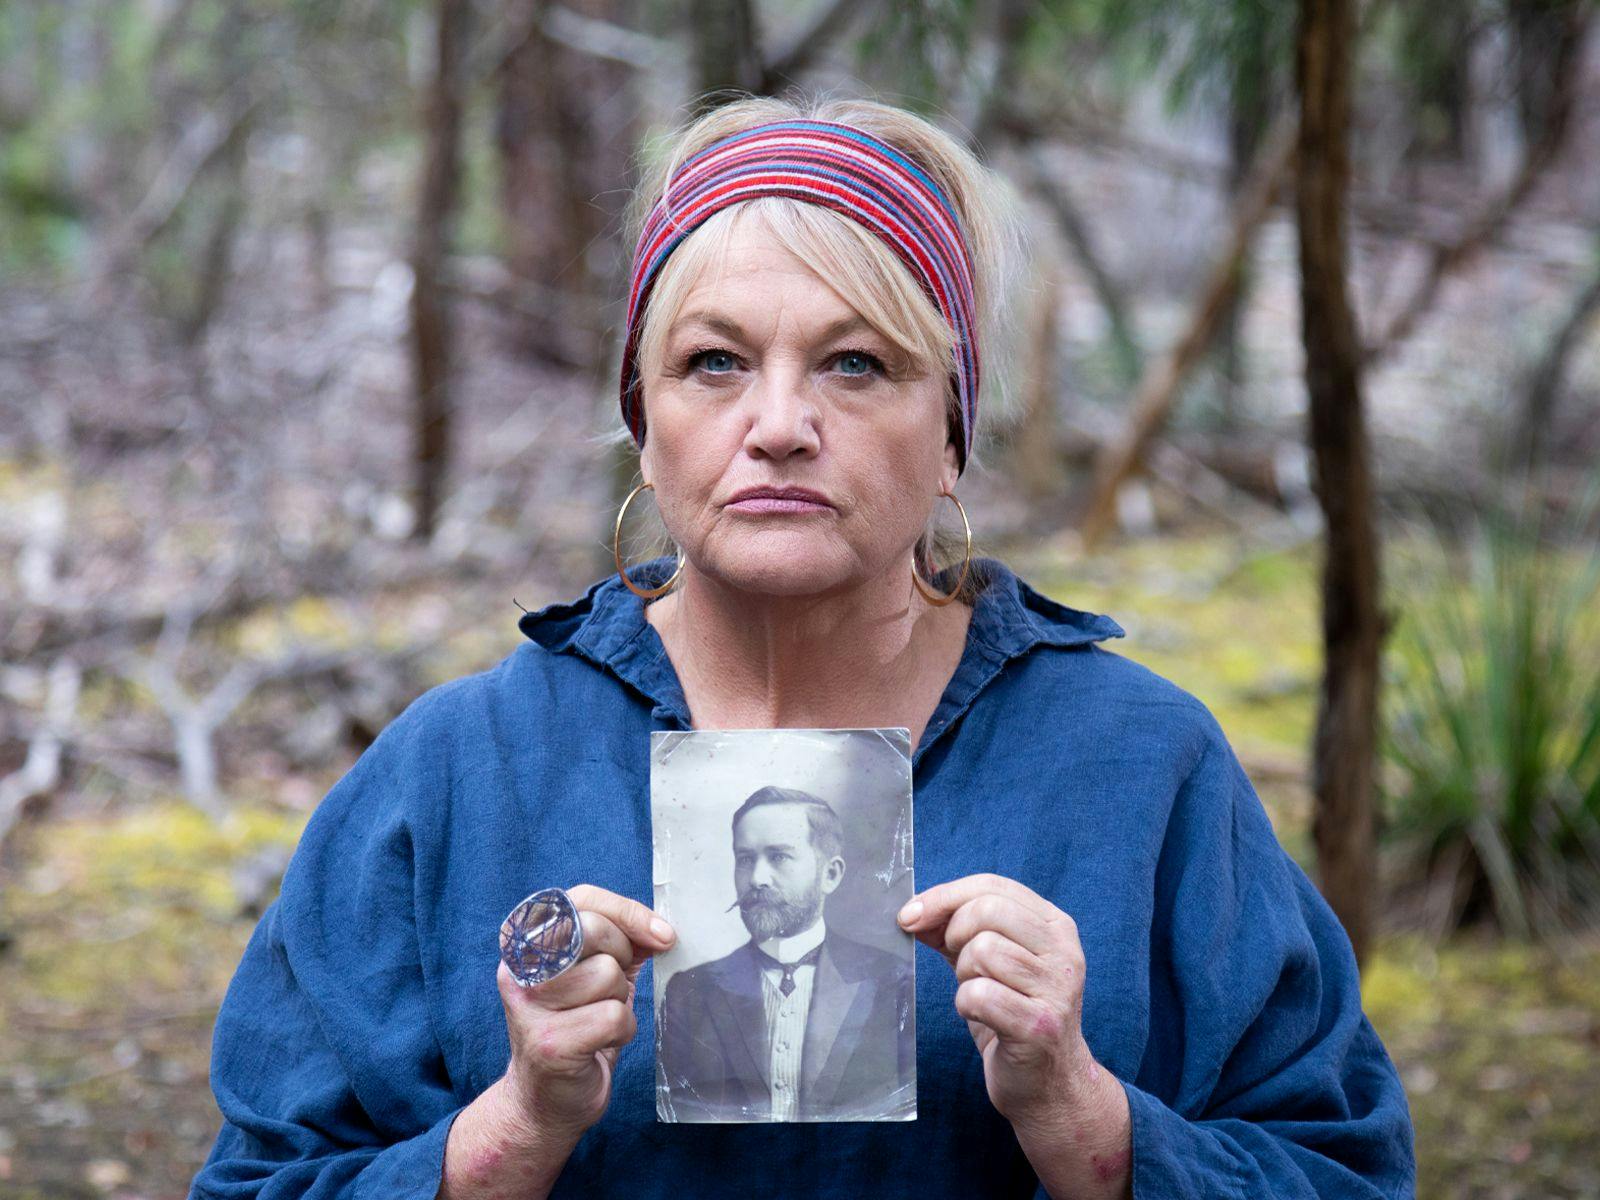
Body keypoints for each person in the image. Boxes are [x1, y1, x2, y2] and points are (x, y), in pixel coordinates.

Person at [190, 94, 1416, 1200]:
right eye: (713, 363)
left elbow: (1343, 1172)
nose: (778, 425)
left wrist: (1084, 1120)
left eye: (855, 363)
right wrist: (512, 1130)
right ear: (645, 425)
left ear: (950, 434)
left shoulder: (1138, 770)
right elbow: (256, 1183)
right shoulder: (461, 772)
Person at [656, 786, 915, 1123]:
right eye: (745, 859)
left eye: (779, 856)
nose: (757, 878)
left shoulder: (892, 984)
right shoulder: (688, 991)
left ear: (830, 874)